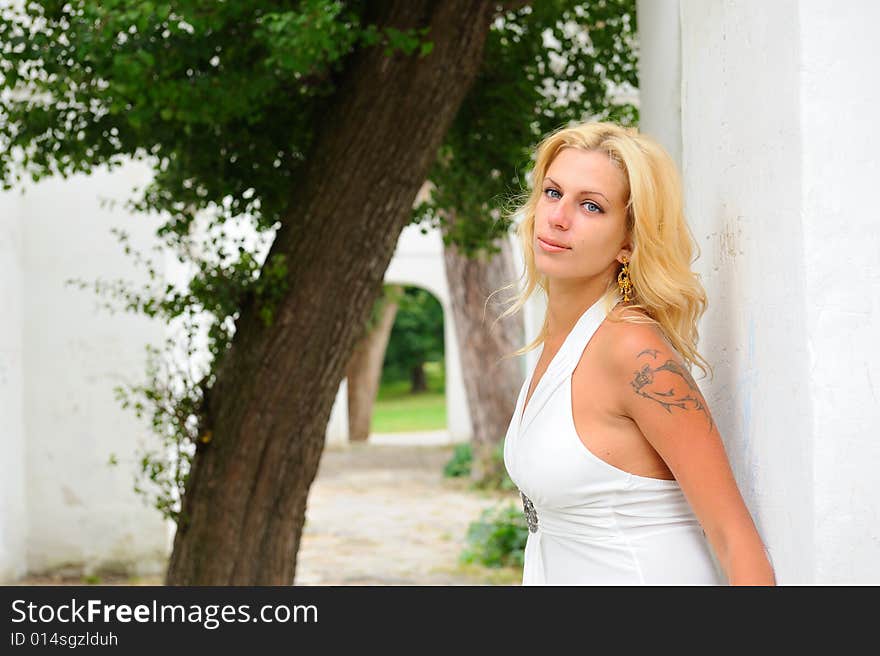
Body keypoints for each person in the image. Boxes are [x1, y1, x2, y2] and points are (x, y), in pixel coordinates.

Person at [497, 121, 776, 585]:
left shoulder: (632, 351)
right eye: (552, 193)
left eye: (590, 206)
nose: (559, 216)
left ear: (628, 242)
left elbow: (732, 534)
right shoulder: (562, 340)